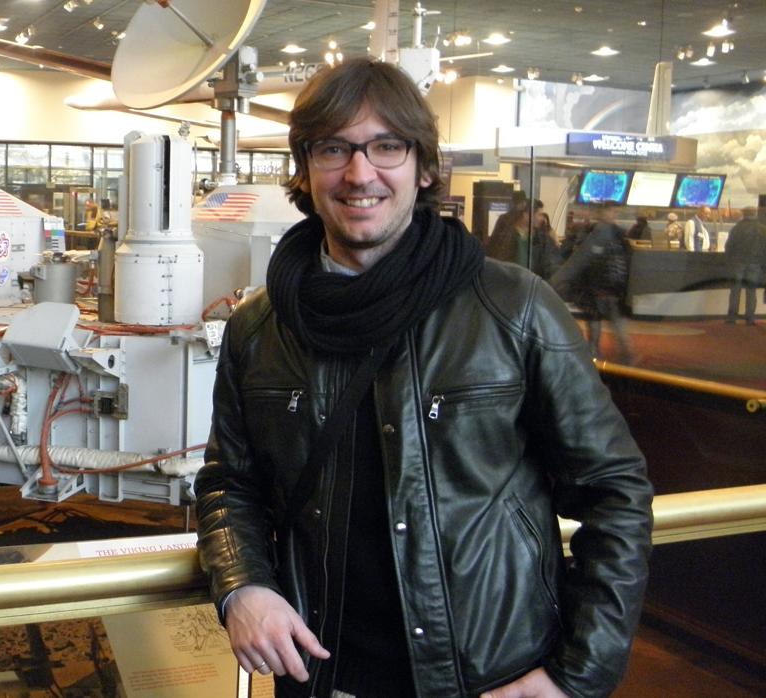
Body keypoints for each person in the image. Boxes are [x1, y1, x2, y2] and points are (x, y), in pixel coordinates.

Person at [194, 57, 652, 698]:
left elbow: (615, 492)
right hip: (319, 672)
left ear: (425, 166)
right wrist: (243, 585)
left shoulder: (512, 307)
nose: (360, 174)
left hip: (492, 674)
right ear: (305, 170)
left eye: (387, 146)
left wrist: (574, 677)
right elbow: (229, 484)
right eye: (334, 149)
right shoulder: (261, 326)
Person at [552, 204, 634, 363]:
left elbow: (578, 261)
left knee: (607, 327)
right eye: (610, 211)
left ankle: (604, 358)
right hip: (602, 290)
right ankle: (617, 360)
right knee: (607, 328)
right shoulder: (612, 236)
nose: (612, 214)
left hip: (606, 290)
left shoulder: (601, 235)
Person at [724, 207, 763, 325]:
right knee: (751, 291)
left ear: (743, 214)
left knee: (735, 290)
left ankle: (731, 318)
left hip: (738, 263)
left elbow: (729, 247)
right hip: (755, 264)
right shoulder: (762, 229)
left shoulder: (736, 228)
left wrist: (730, 260)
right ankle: (750, 318)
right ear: (755, 214)